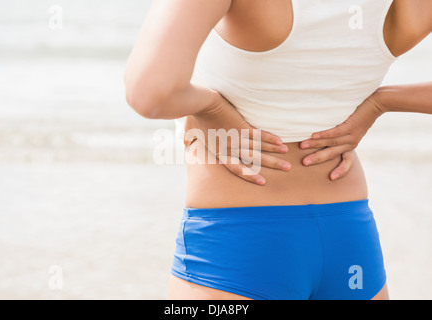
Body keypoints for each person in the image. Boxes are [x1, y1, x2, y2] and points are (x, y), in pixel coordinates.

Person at [124, 0, 432, 300]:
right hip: (349, 235)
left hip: (239, 243)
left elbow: (150, 93)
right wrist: (383, 102)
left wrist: (210, 108)